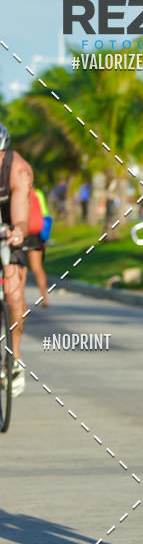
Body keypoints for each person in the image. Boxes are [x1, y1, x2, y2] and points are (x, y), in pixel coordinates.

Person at [0, 123, 32, 396]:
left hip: (9, 227)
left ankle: (14, 359)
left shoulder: (18, 169)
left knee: (13, 296)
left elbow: (20, 216)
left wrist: (18, 231)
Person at [25, 189, 51, 308]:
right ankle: (45, 297)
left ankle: (20, 303)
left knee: (20, 267)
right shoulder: (38, 193)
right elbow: (45, 214)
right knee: (37, 267)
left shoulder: (13, 190)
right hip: (35, 233)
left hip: (19, 231)